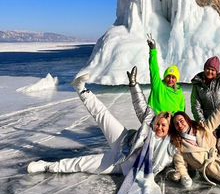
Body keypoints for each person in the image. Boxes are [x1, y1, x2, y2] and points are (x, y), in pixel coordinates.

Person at [27, 73, 176, 177]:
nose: (160, 127)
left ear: (169, 129)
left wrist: (176, 174)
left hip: (120, 164)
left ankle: (47, 166)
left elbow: (177, 161)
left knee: (82, 163)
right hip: (124, 141)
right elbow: (140, 104)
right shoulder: (150, 122)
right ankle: (81, 89)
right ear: (154, 122)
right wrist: (133, 84)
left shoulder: (169, 146)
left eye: (164, 126)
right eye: (158, 123)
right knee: (103, 114)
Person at [146, 34, 186, 114]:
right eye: (168, 76)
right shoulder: (158, 86)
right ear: (165, 77)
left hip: (173, 124)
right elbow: (154, 69)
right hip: (157, 122)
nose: (170, 79)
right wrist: (153, 50)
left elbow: (182, 111)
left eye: (173, 77)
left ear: (176, 79)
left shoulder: (179, 93)